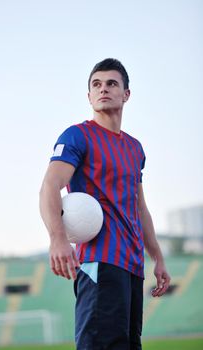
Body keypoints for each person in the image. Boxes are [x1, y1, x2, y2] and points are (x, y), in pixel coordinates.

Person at [39, 58, 171, 350]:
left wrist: (158, 258)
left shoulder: (134, 148)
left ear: (126, 94)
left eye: (112, 83)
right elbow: (50, 185)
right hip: (100, 261)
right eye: (96, 84)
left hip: (133, 267)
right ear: (88, 96)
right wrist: (57, 239)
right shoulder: (78, 135)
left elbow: (139, 208)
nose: (103, 89)